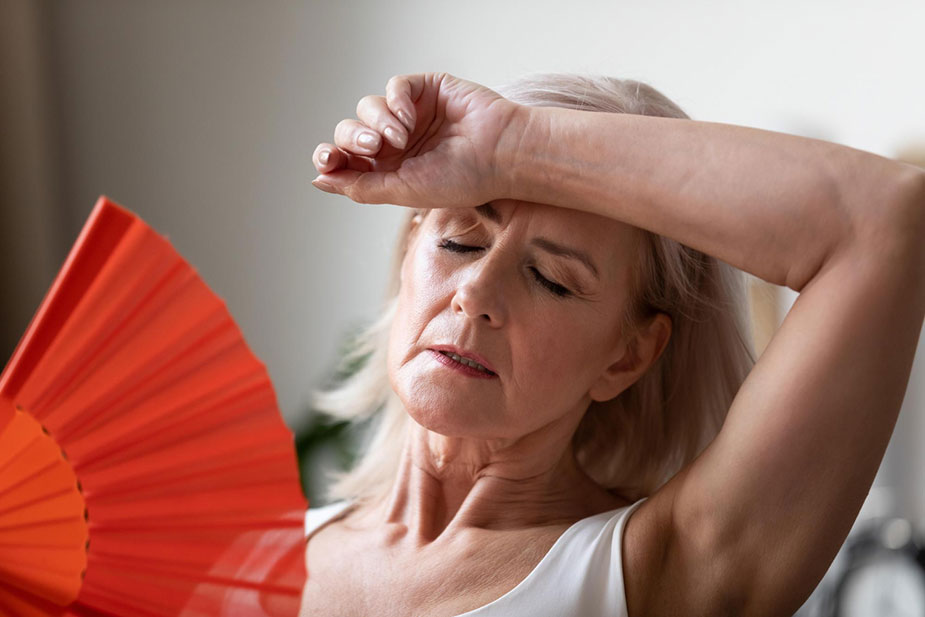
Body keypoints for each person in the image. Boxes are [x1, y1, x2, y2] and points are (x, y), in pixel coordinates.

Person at [302, 72, 925, 616]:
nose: (476, 294)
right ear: (411, 247)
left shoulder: (657, 576)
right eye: (460, 241)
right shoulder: (246, 547)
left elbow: (885, 219)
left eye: (552, 280)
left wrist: (511, 145)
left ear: (627, 356)